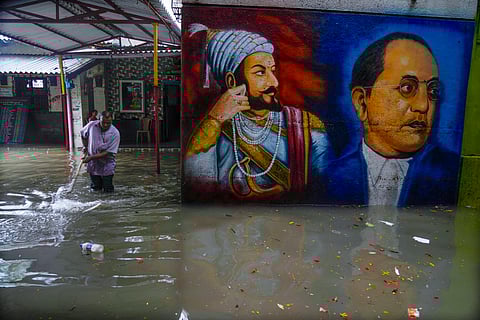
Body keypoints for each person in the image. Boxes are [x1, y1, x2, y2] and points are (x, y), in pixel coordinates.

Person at [183, 24, 330, 202]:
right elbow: (197, 188)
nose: (274, 82)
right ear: (232, 81)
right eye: (260, 72)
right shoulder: (215, 132)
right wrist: (215, 120)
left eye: (272, 71)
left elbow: (324, 188)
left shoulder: (306, 126)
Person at [323, 32, 460, 206]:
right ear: (362, 102)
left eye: (432, 92)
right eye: (407, 88)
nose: (423, 106)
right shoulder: (329, 178)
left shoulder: (453, 175)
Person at [80, 111, 120, 193]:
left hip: (107, 163)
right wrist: (86, 146)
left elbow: (108, 152)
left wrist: (90, 157)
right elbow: (83, 134)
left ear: (111, 121)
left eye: (108, 123)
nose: (105, 125)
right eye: (103, 122)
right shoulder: (91, 125)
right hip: (93, 164)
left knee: (108, 189)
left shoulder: (115, 133)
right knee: (95, 188)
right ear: (99, 119)